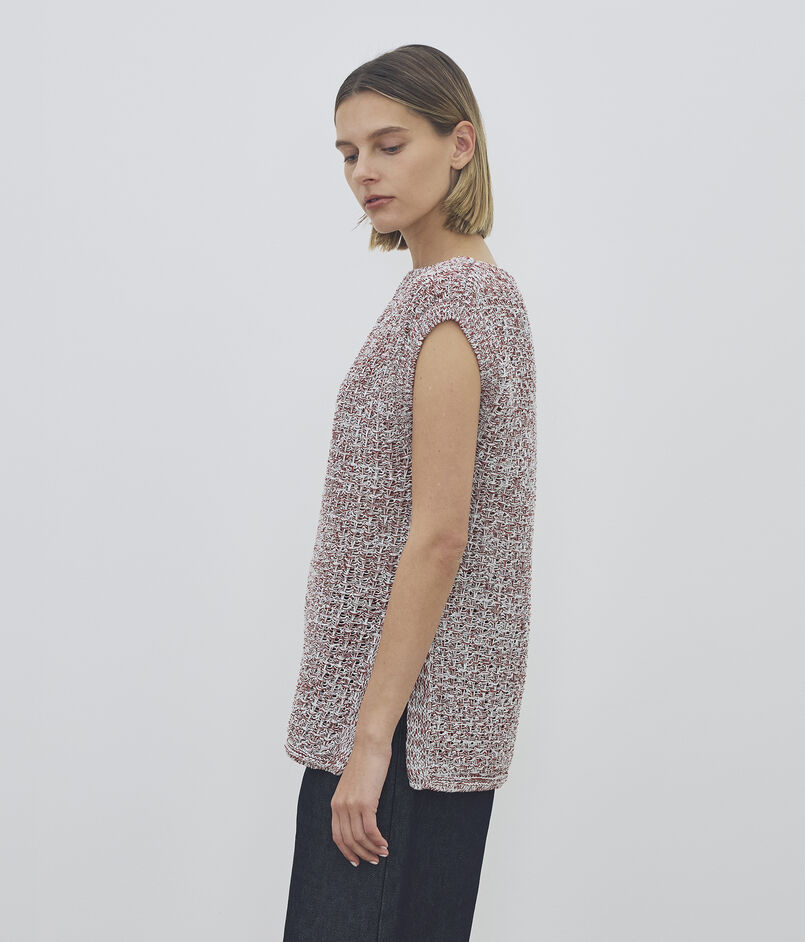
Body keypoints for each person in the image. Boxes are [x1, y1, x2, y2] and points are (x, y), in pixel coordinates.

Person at [282, 43, 537, 941]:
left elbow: (438, 535)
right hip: (405, 729)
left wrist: (368, 744)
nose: (364, 171)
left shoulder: (454, 306)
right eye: (349, 152)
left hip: (400, 738)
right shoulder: (444, 295)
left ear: (459, 144)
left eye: (389, 145)